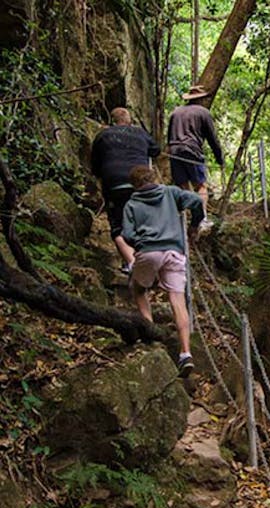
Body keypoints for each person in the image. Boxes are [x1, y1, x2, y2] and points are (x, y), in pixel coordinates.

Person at [122, 165, 204, 375]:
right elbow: (196, 201)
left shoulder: (131, 203)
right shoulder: (171, 192)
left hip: (149, 252)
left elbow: (127, 235)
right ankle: (185, 353)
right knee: (177, 299)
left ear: (135, 184)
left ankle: (149, 331)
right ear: (154, 177)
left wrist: (142, 240)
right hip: (174, 251)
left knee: (138, 288)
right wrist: (195, 224)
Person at [91, 107, 160, 273]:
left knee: (118, 224)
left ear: (111, 121)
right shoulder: (140, 133)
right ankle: (144, 261)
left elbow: (94, 165)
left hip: (114, 183)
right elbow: (156, 150)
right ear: (129, 120)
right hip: (140, 183)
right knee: (141, 222)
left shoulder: (102, 136)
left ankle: (131, 262)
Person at [167, 84, 224, 223]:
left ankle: (183, 219)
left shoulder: (176, 112)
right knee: (201, 186)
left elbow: (169, 136)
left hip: (174, 151)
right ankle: (201, 219)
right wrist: (219, 158)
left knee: (183, 185)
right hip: (192, 150)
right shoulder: (203, 112)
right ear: (201, 99)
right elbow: (212, 138)